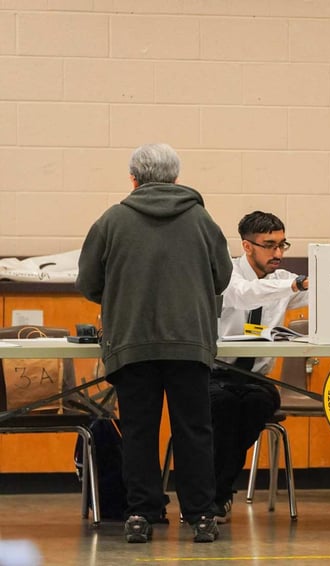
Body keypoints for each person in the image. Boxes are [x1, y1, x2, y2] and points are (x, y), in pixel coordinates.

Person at [77, 143, 233, 544]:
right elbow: (222, 278)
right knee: (194, 430)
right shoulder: (201, 219)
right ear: (176, 178)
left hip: (132, 343)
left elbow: (88, 283)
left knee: (139, 430)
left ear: (134, 178)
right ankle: (200, 516)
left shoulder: (111, 221)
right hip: (190, 343)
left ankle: (142, 515)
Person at [210, 211, 330, 521]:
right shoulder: (227, 274)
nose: (279, 253)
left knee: (257, 405)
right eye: (270, 245)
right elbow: (245, 296)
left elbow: (320, 287)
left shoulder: (284, 281)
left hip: (256, 379)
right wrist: (295, 285)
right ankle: (216, 493)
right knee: (223, 407)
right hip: (217, 375)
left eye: (283, 244)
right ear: (247, 246)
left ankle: (216, 492)